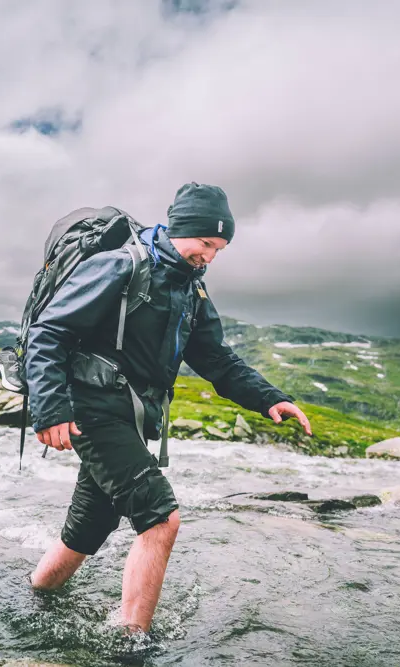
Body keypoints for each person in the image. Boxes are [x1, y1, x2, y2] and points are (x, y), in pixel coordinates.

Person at [24, 182, 312, 633]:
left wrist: (271, 399)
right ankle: (132, 644)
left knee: (89, 526)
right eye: (205, 244)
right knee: (162, 519)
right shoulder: (120, 267)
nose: (211, 256)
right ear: (181, 230)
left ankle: (36, 594)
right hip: (94, 411)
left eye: (219, 249)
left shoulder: (191, 292)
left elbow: (217, 361)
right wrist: (50, 409)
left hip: (131, 418)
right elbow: (48, 333)